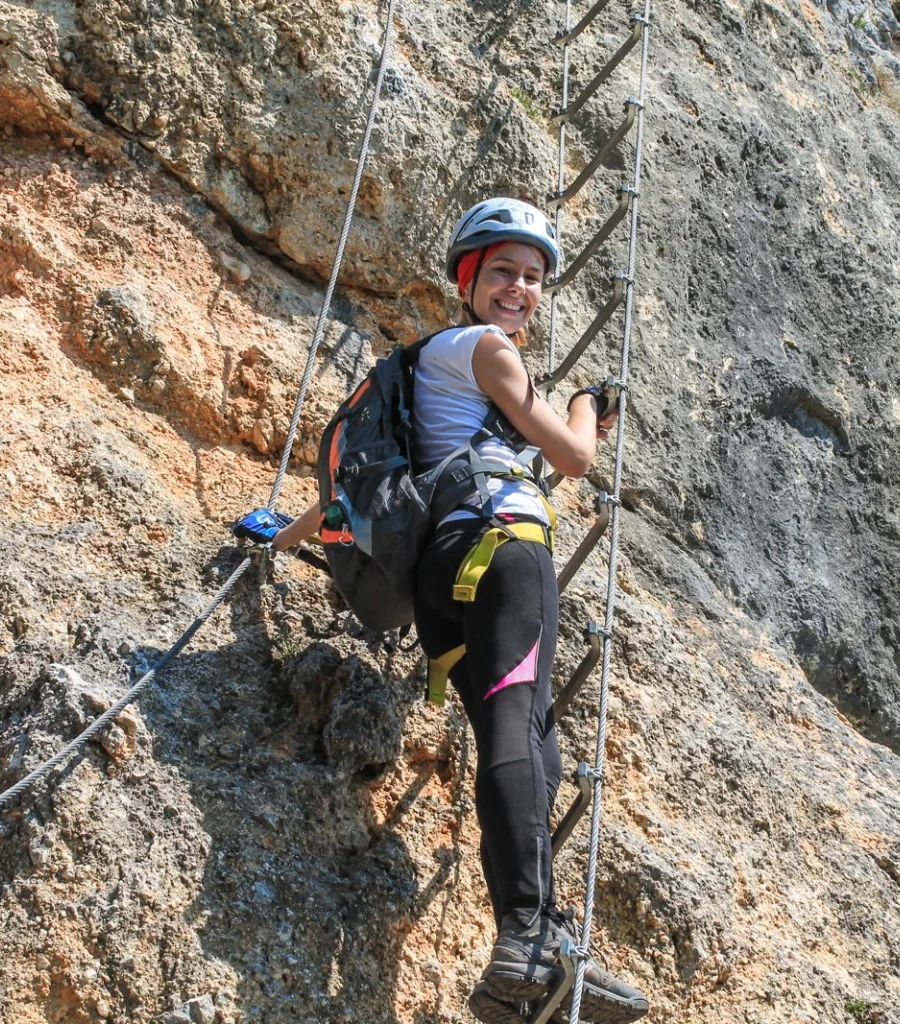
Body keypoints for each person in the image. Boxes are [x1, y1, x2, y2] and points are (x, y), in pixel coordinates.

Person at [264, 198, 648, 1023]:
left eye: (534, 277)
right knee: (521, 724)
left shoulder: (412, 374)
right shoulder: (486, 349)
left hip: (442, 577)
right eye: (503, 271)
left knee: (533, 746)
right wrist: (588, 402)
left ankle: (538, 934)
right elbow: (574, 457)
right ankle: (524, 942)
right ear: (469, 279)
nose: (520, 288)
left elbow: (346, 495)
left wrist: (278, 538)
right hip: (504, 545)